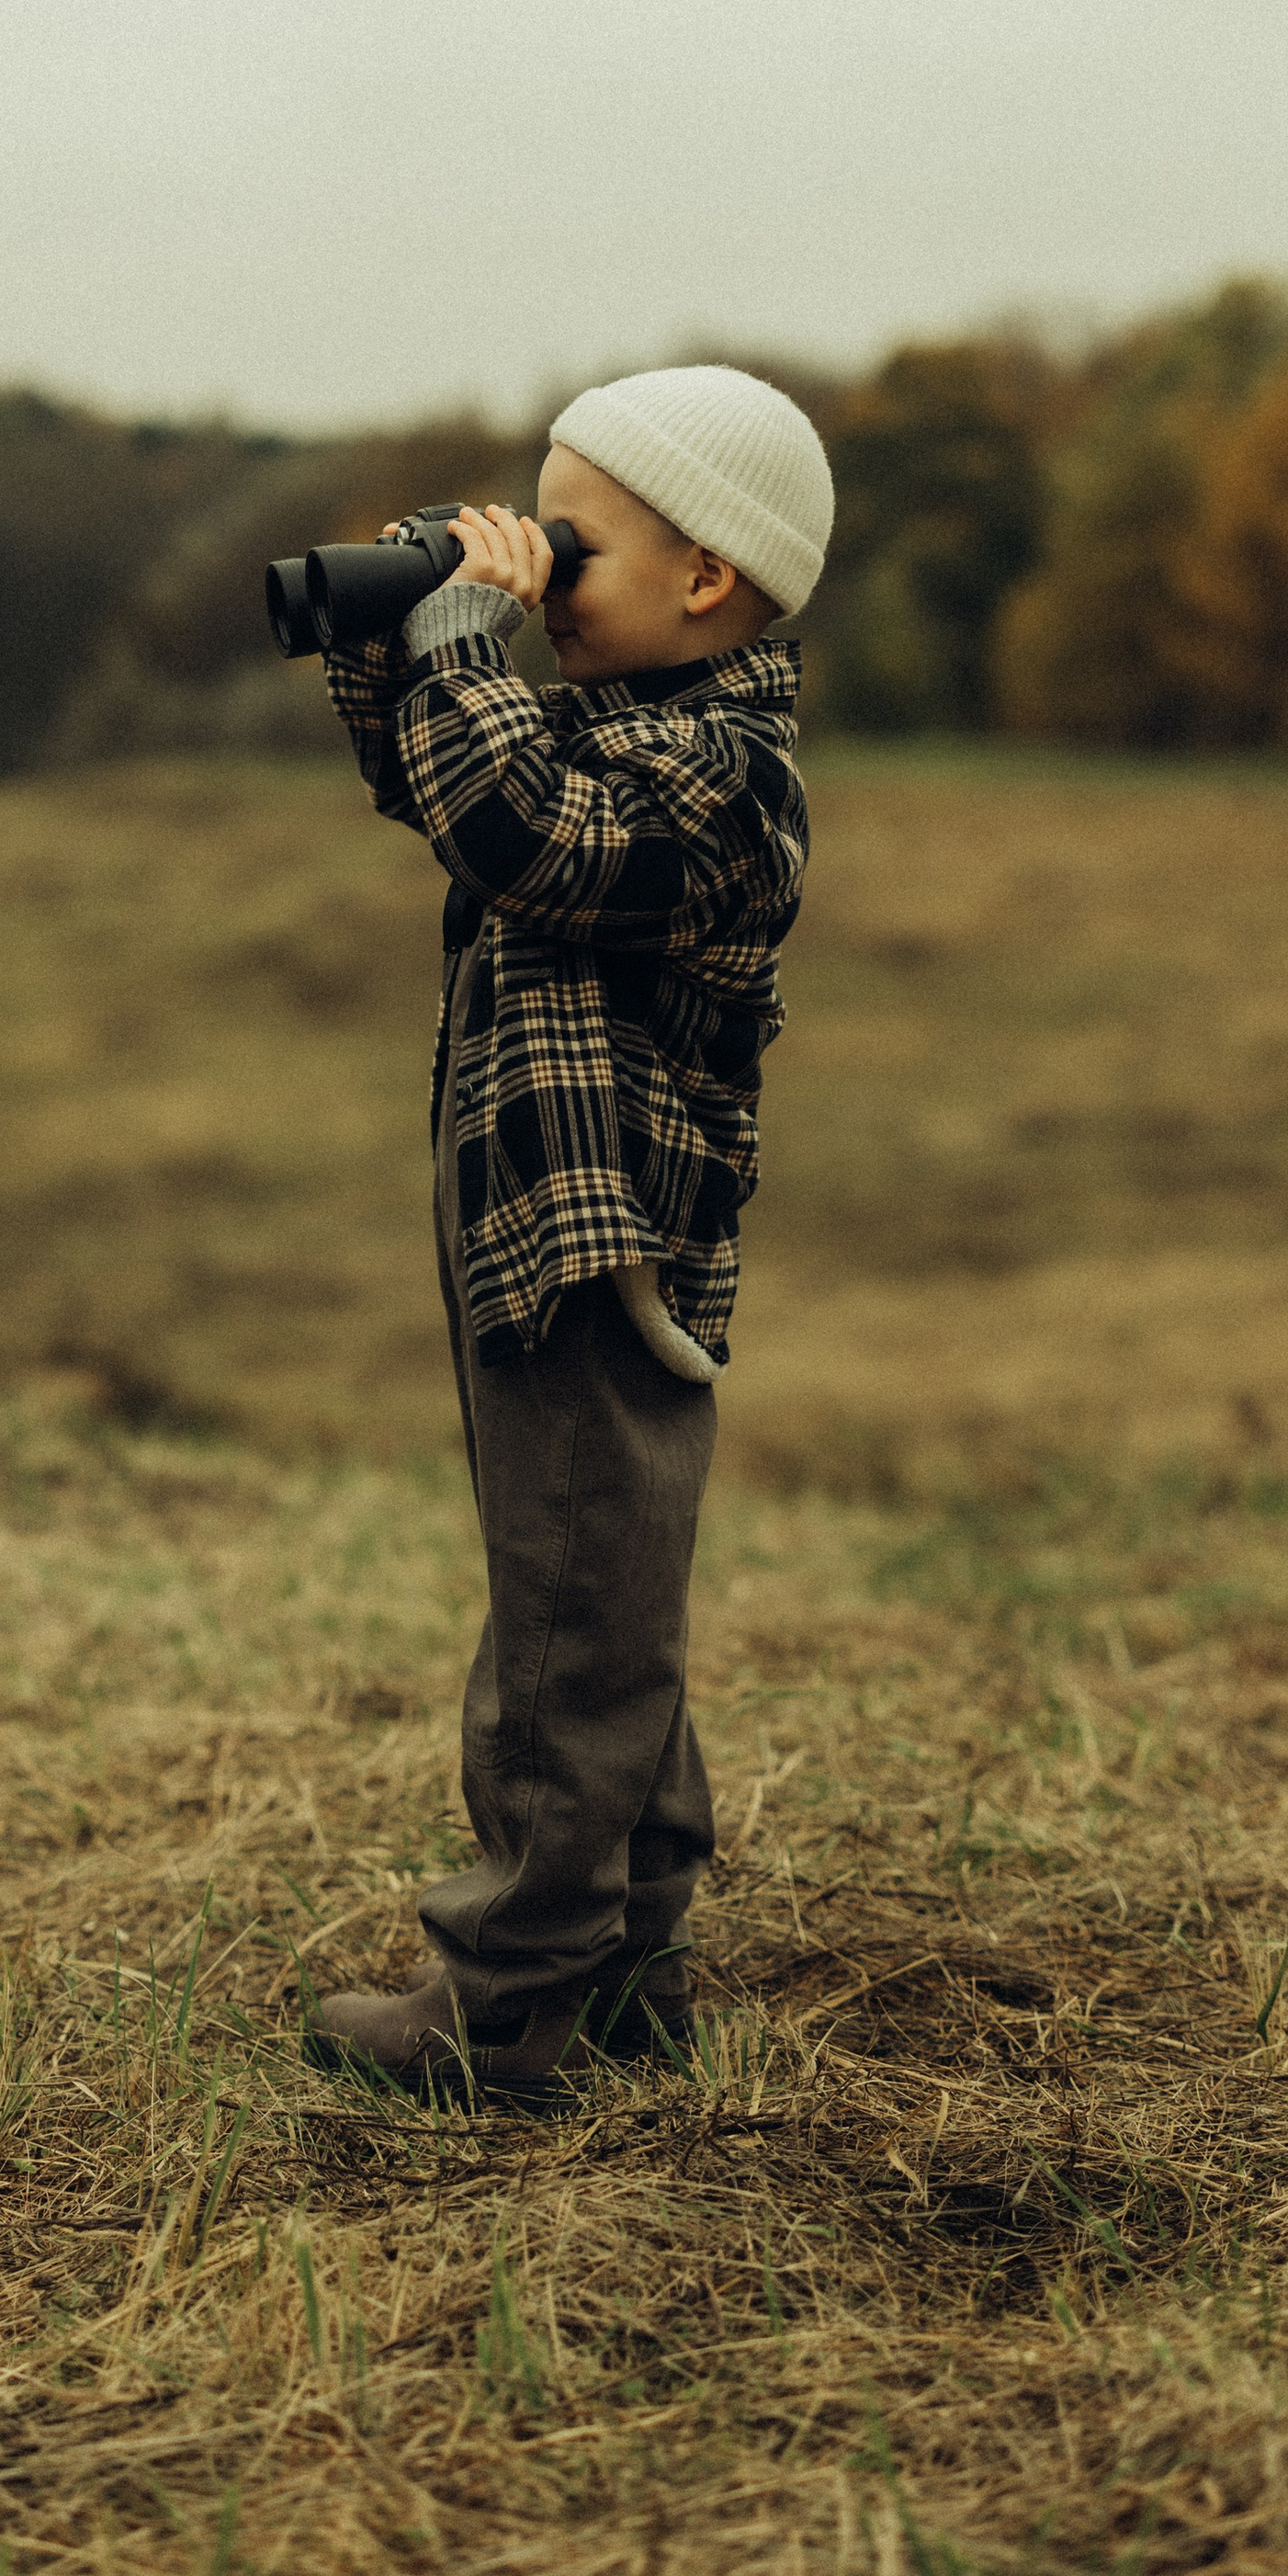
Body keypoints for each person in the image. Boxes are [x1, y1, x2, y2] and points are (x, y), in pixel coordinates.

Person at [307, 363, 832, 2095]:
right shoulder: (620, 729)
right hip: (539, 1227)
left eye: (570, 547)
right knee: (597, 1603)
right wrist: (400, 641)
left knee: (571, 1625)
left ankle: (515, 1996)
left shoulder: (725, 775)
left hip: (605, 1246)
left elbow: (521, 829)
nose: (537, 577)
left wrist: (468, 644)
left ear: (705, 582)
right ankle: (631, 1965)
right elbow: (451, 789)